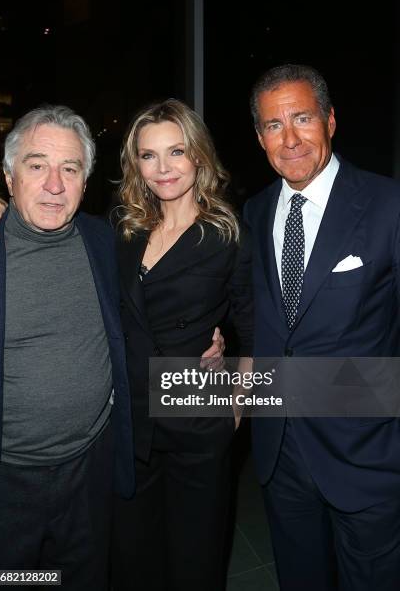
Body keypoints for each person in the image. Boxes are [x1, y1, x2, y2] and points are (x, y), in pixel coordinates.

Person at [244, 63, 400, 591]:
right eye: (272, 125)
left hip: (368, 456)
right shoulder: (255, 210)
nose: (289, 139)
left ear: (330, 121)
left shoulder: (387, 205)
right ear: (259, 136)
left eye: (302, 118)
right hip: (281, 453)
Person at [111, 98, 253, 591]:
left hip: (196, 417)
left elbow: (252, 327)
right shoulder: (125, 230)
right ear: (136, 164)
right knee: (135, 559)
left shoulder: (227, 234)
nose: (163, 168)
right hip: (130, 426)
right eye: (149, 156)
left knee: (195, 561)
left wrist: (237, 403)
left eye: (176, 152)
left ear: (198, 155)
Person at [0, 105, 135, 591]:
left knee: (84, 577)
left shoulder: (100, 239)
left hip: (89, 467)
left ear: (84, 180)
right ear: (9, 178)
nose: (55, 185)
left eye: (70, 169)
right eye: (37, 166)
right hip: (7, 483)